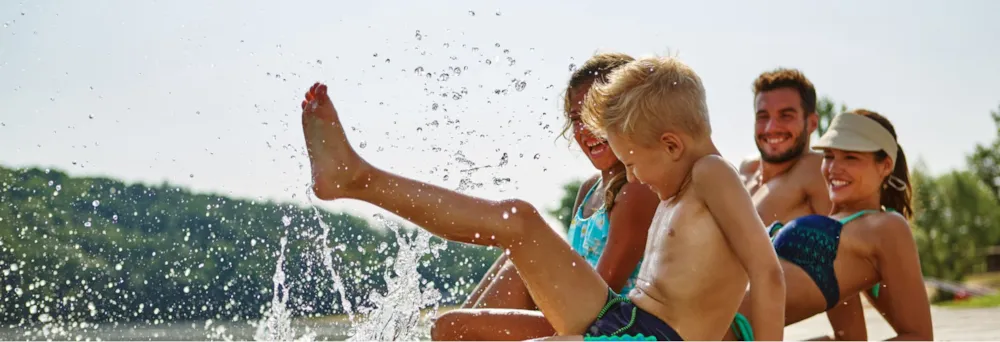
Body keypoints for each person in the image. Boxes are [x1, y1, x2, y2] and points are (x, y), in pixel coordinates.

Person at [299, 55, 786, 341]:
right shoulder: (682, 181)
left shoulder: (712, 174)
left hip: (650, 336)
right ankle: (354, 178)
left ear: (672, 144)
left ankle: (355, 178)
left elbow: (766, 272)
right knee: (520, 219)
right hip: (620, 317)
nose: (633, 175)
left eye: (633, 163)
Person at [430, 53, 659, 341]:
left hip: (610, 326)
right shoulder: (590, 189)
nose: (586, 129)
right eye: (577, 118)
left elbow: (601, 302)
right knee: (515, 259)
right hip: (578, 314)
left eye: (598, 115)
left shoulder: (637, 190)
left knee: (453, 327)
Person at [726, 110, 933, 341]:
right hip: (700, 317)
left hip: (719, 327)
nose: (834, 168)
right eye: (830, 156)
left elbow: (919, 336)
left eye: (851, 158)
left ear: (885, 166)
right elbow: (849, 337)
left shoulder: (886, 227)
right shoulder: (838, 227)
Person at [739, 68, 832, 233]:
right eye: (763, 116)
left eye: (786, 116)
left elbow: (848, 245)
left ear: (811, 123)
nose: (771, 127)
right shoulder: (747, 170)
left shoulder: (817, 170)